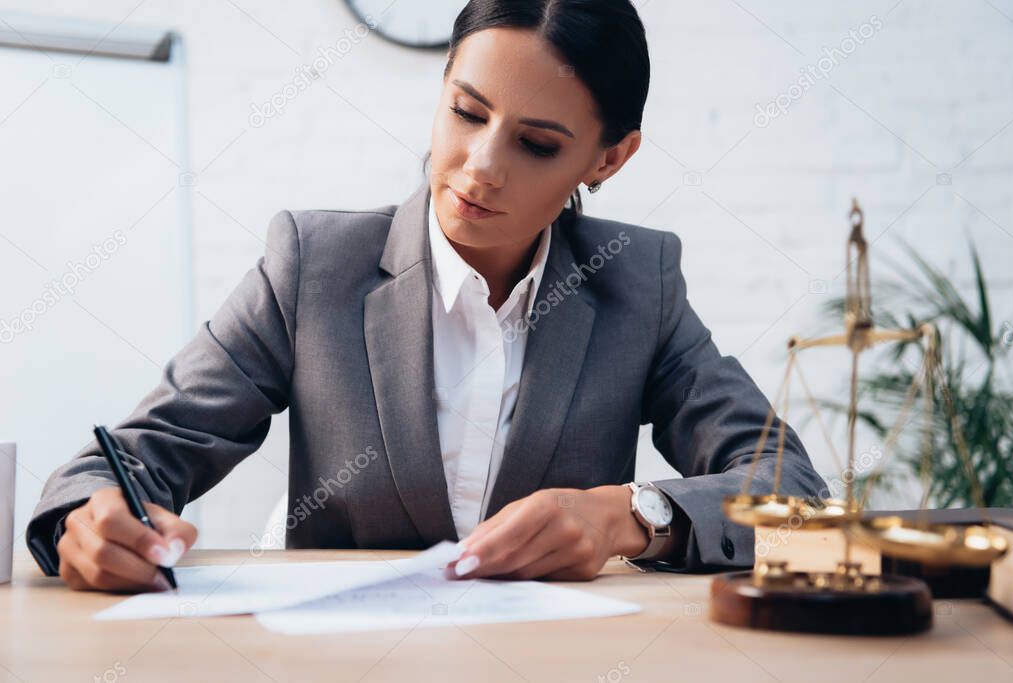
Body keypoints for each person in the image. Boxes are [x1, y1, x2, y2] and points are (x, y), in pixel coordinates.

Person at [27, 0, 826, 593]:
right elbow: (122, 459)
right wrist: (87, 518)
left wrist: (625, 516)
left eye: (537, 144)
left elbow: (794, 491)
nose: (480, 164)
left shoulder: (636, 284)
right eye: (466, 111)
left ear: (609, 159)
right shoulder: (315, 267)